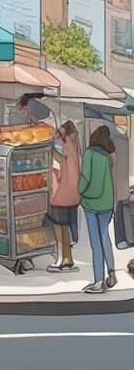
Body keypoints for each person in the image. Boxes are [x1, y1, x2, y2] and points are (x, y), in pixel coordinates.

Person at [78, 125, 118, 294]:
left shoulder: (90, 153)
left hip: (91, 204)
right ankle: (112, 273)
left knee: (96, 242)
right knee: (104, 237)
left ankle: (98, 281)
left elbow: (85, 178)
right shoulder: (110, 155)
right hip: (107, 203)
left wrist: (80, 191)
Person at [46, 121, 82, 273]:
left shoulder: (60, 146)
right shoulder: (75, 147)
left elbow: (58, 163)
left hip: (59, 194)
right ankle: (69, 259)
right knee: (65, 227)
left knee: (57, 226)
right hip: (72, 196)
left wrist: (50, 149)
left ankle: (59, 259)